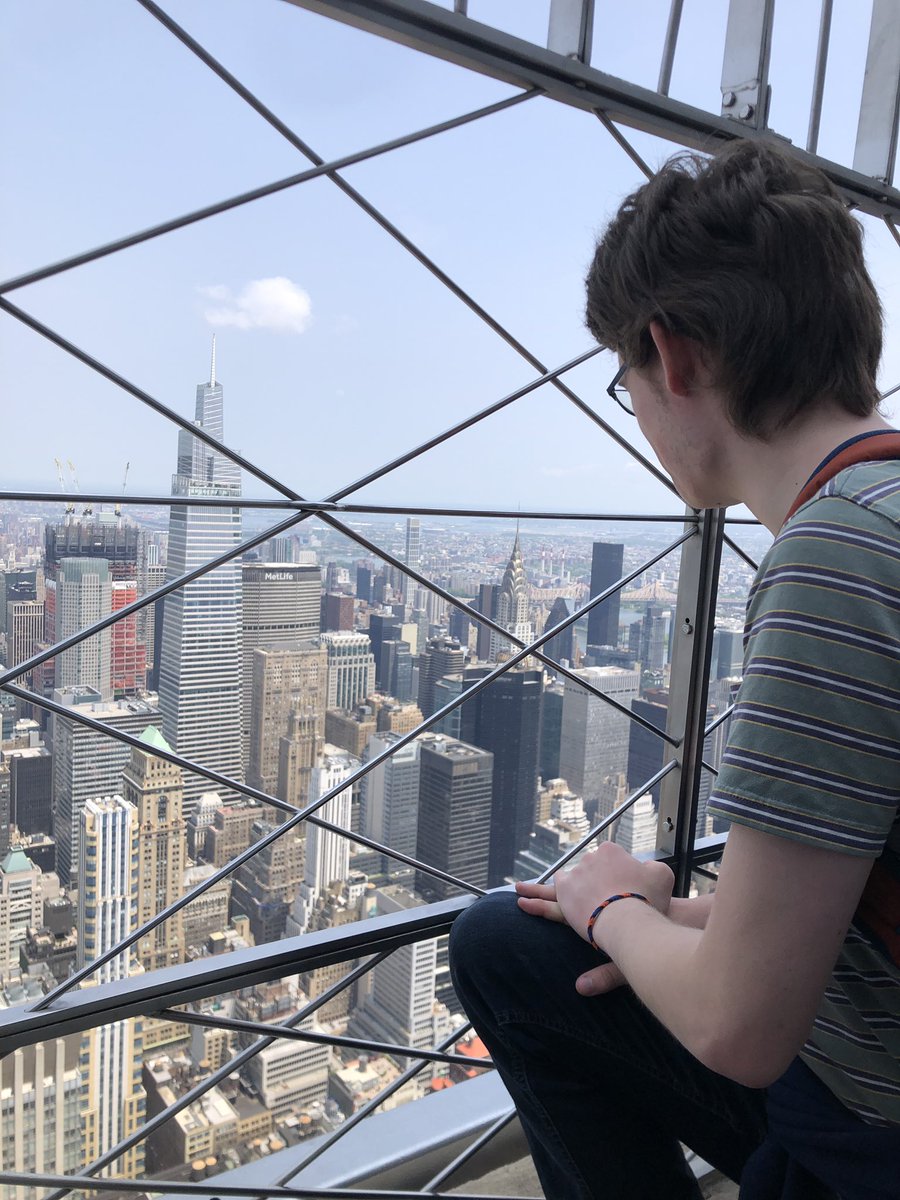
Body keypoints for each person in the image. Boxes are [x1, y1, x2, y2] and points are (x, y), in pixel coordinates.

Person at [449, 140, 900, 1200]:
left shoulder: (838, 554)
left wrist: (613, 906)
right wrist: (689, 916)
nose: (641, 415)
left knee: (504, 948)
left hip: (866, 1132)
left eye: (627, 382)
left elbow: (739, 1029)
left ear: (677, 355)